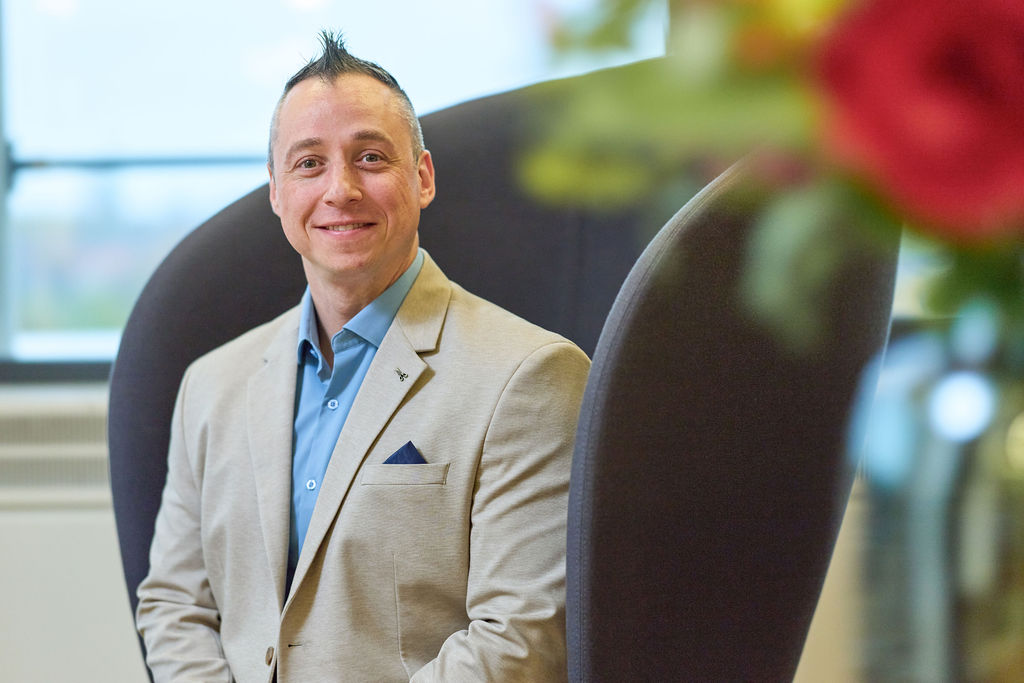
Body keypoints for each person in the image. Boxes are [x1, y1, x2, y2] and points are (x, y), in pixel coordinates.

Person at [135, 31, 590, 682]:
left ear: (422, 177)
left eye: (370, 157)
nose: (341, 189)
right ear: (276, 191)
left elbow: (519, 639)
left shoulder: (530, 376)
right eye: (309, 163)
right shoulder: (210, 385)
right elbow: (175, 605)